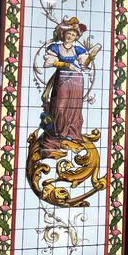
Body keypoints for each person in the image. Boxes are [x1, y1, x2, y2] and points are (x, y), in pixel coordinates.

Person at [39, 17, 101, 155]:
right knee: (60, 107)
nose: (70, 36)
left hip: (76, 81)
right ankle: (57, 133)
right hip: (62, 80)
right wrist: (66, 64)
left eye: (73, 34)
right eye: (69, 33)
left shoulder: (78, 49)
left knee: (74, 108)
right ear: (63, 34)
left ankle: (70, 134)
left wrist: (90, 57)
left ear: (76, 37)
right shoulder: (56, 48)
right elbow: (49, 63)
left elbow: (84, 65)